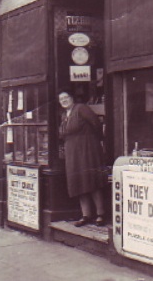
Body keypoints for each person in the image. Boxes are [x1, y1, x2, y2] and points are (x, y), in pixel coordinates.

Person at [59, 90, 107, 227]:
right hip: (73, 154)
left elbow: (97, 124)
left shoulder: (81, 109)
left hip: (87, 151)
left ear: (72, 97)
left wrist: (92, 143)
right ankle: (86, 215)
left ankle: (100, 214)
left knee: (91, 181)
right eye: (61, 99)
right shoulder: (64, 115)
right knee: (78, 183)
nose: (63, 100)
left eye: (66, 97)